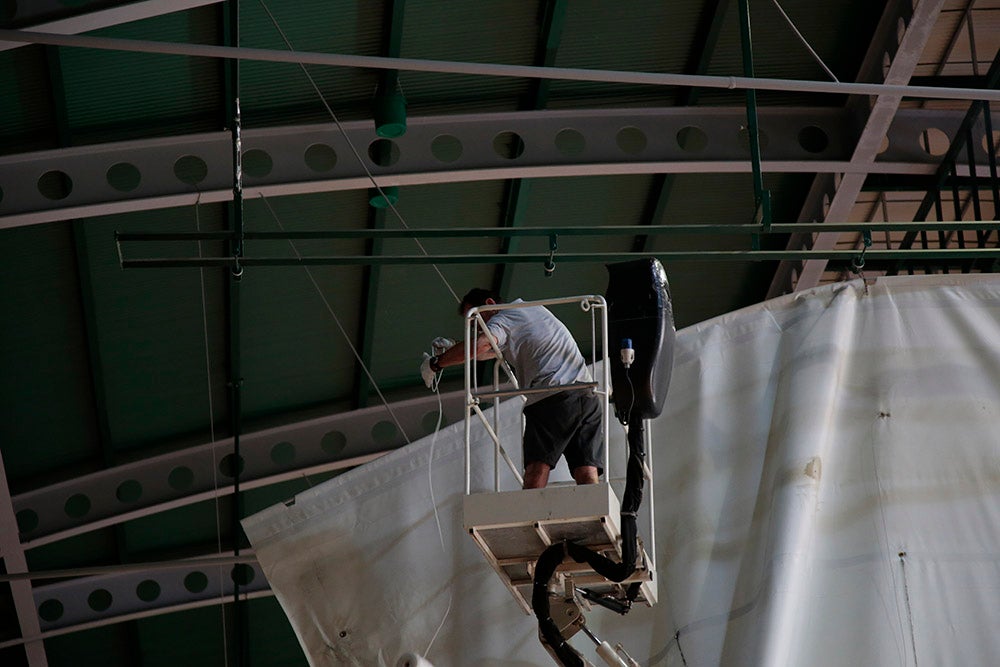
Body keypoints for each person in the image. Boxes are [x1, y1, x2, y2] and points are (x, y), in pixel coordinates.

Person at [421, 288, 603, 489]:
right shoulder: (530, 311)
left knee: (536, 470)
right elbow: (487, 350)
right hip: (586, 395)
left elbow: (480, 346)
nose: (476, 327)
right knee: (586, 470)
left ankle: (532, 516)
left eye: (475, 319)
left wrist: (436, 363)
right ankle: (595, 516)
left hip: (552, 396)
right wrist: (453, 347)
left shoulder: (505, 316)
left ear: (490, 304)